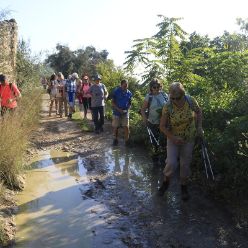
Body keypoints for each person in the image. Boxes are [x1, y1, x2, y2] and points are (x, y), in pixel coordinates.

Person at [158, 82, 203, 201]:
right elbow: (162, 126)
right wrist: (173, 138)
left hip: (189, 138)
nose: (174, 100)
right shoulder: (168, 106)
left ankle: (184, 187)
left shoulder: (190, 100)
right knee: (171, 163)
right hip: (173, 138)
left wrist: (199, 127)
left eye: (177, 98)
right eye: (172, 98)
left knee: (185, 164)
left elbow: (198, 112)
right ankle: (165, 182)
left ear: (183, 95)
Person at [140, 79, 168, 160]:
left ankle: (164, 158)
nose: (156, 89)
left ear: (160, 86)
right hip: (152, 123)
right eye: (154, 87)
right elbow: (142, 110)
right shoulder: (149, 96)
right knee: (155, 142)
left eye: (158, 87)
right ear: (151, 88)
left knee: (164, 142)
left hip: (164, 123)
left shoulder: (164, 95)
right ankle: (155, 159)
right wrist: (145, 120)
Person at [112, 79, 132, 146]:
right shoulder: (116, 91)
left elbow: (130, 103)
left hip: (125, 112)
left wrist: (127, 109)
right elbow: (113, 102)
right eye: (124, 85)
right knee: (116, 126)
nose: (126, 87)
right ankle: (115, 139)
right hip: (116, 111)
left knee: (126, 126)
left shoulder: (129, 93)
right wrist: (118, 109)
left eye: (127, 85)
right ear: (121, 85)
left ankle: (127, 141)